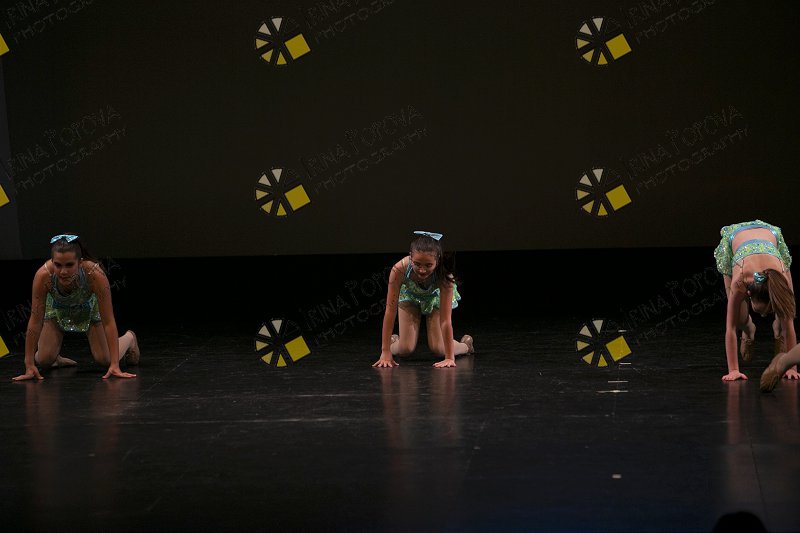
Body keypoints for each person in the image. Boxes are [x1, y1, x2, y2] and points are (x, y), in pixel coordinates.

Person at [12, 234, 139, 381]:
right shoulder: (43, 276)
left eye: (69, 265)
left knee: (106, 359)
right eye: (58, 265)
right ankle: (56, 358)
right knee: (44, 360)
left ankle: (129, 338)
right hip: (57, 309)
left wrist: (115, 364)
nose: (63, 271)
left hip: (88, 308)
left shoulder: (94, 274)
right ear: (52, 261)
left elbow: (109, 322)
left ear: (80, 262)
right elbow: (35, 321)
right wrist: (29, 364)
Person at [373, 231, 473, 368]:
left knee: (439, 349)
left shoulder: (444, 276)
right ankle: (393, 343)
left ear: (437, 260)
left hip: (434, 298)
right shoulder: (399, 270)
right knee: (405, 349)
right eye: (417, 264)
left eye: (428, 265)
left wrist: (449, 357)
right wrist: (385, 352)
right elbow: (390, 311)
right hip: (409, 296)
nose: (422, 270)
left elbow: (445, 321)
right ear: (410, 257)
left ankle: (466, 346)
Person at [713, 220, 798, 381]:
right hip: (734, 239)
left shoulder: (780, 277)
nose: (764, 316)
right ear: (749, 293)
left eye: (769, 311)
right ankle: (748, 330)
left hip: (771, 235)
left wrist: (792, 368)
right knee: (739, 319)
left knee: (787, 310)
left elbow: (790, 326)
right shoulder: (739, 281)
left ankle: (777, 329)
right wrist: (733, 370)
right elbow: (730, 328)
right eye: (761, 311)